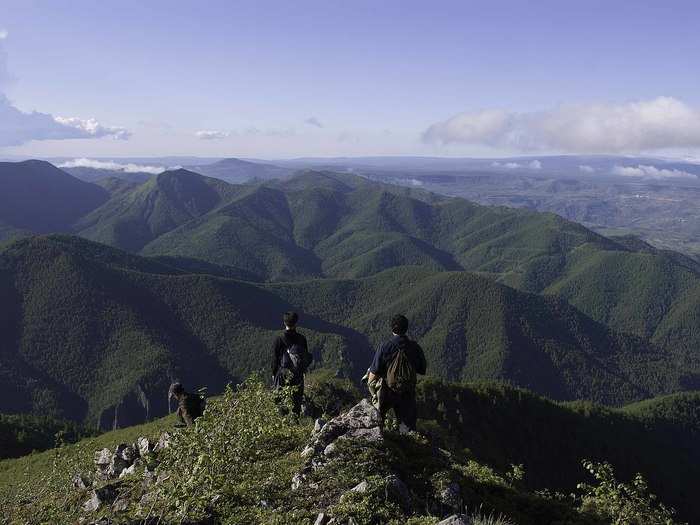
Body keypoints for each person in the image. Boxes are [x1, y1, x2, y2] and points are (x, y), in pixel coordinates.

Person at [367, 314, 427, 432]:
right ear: (406, 328)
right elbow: (422, 369)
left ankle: (381, 439)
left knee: (379, 420)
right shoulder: (415, 347)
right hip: (407, 392)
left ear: (392, 328)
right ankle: (408, 446)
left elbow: (374, 372)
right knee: (407, 427)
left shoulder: (385, 346)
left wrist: (372, 390)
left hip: (388, 390)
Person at [272, 311, 313, 415]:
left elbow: (275, 359)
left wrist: (274, 374)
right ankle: (295, 424)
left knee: (280, 402)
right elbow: (305, 357)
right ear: (296, 323)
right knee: (296, 403)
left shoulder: (279, 339)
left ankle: (283, 424)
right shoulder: (302, 339)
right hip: (298, 375)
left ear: (284, 323)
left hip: (283, 374)